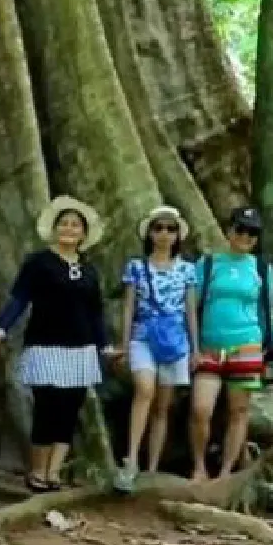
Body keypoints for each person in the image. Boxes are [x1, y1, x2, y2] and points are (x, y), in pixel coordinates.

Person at [0, 196, 117, 493]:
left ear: (84, 234)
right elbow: (20, 299)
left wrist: (104, 346)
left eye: (75, 225)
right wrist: (0, 328)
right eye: (64, 223)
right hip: (45, 346)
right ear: (55, 228)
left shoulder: (89, 270)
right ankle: (37, 471)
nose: (69, 229)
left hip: (81, 349)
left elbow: (96, 312)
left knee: (70, 411)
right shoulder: (39, 263)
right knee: (47, 408)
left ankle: (54, 472)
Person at [191, 207, 273, 482]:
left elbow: (265, 310)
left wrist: (272, 346)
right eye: (240, 229)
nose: (245, 236)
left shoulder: (262, 269)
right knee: (201, 408)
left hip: (247, 345)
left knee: (238, 411)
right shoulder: (208, 264)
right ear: (229, 230)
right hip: (209, 346)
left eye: (252, 232)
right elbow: (191, 306)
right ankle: (198, 467)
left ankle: (227, 473)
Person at [115, 206, 198, 493]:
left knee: (162, 406)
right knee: (144, 390)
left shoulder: (187, 270)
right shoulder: (136, 267)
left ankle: (151, 468)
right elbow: (128, 308)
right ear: (150, 233)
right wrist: (123, 344)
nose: (164, 234)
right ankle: (132, 460)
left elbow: (190, 311)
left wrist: (196, 349)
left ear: (177, 235)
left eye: (170, 229)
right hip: (143, 336)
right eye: (158, 228)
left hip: (175, 342)